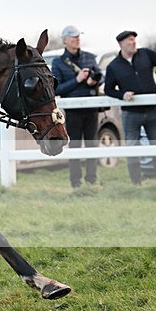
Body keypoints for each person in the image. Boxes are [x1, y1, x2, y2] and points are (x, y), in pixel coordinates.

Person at [104, 31, 156, 185]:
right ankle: (136, 183)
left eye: (135, 40)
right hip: (131, 114)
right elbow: (108, 89)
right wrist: (122, 95)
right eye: (130, 40)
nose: (134, 43)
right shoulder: (114, 66)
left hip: (152, 110)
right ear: (121, 44)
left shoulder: (146, 54)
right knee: (132, 148)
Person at [52, 25, 103, 188]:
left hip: (91, 108)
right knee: (74, 146)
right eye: (73, 37)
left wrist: (93, 81)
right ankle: (75, 182)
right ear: (65, 40)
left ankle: (92, 179)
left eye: (78, 36)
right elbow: (57, 89)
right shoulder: (58, 62)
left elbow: (100, 77)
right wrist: (78, 80)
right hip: (73, 111)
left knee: (92, 144)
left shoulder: (89, 57)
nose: (77, 39)